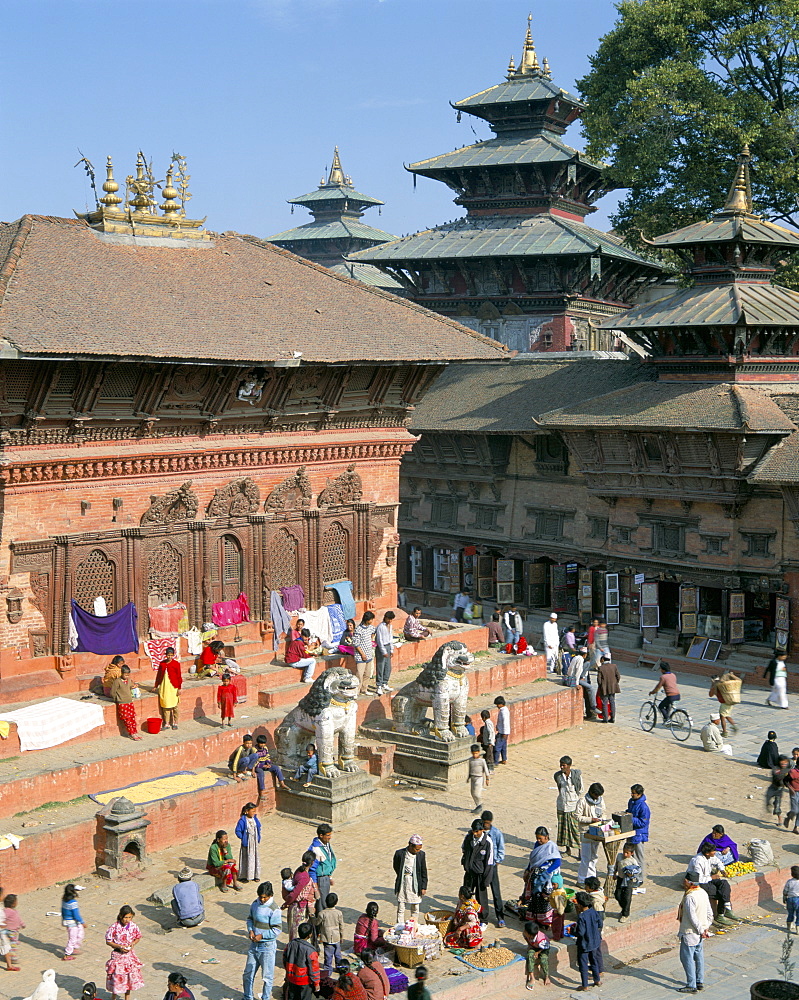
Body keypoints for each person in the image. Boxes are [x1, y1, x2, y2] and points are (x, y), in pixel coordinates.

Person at [677, 873, 714, 993]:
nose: (684, 883)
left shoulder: (689, 897)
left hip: (690, 933)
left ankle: (691, 984)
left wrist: (700, 930)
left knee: (687, 958)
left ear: (689, 882)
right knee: (699, 957)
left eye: (685, 881)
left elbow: (692, 918)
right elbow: (710, 914)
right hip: (700, 932)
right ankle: (699, 981)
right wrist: (706, 927)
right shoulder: (703, 893)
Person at [687, 843, 738, 925]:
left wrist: (722, 869)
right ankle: (721, 914)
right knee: (718, 892)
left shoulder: (710, 857)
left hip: (708, 878)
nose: (715, 852)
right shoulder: (698, 861)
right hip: (701, 882)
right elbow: (699, 879)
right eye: (713, 851)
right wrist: (712, 877)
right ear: (707, 853)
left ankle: (726, 907)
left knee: (724, 884)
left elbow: (718, 862)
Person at [105, 905, 144, 1000]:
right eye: (125, 917)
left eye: (129, 917)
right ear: (121, 916)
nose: (127, 920)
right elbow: (108, 941)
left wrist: (133, 944)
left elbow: (138, 937)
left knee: (128, 978)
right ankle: (113, 997)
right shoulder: (114, 927)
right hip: (118, 956)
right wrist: (119, 947)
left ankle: (127, 997)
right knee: (116, 978)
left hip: (129, 957)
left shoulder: (133, 926)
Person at [461, 817, 495, 920]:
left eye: (477, 831)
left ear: (482, 830)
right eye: (473, 831)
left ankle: (483, 919)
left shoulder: (488, 842)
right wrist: (465, 863)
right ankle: (464, 914)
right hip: (469, 872)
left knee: (481, 898)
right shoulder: (468, 838)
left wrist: (486, 880)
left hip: (480, 874)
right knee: (466, 894)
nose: (475, 834)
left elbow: (489, 862)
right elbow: (463, 849)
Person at [392, 835, 427, 924]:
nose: (418, 851)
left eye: (419, 849)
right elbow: (396, 866)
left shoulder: (421, 855)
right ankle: (399, 925)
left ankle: (413, 924)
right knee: (401, 906)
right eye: (416, 849)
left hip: (415, 883)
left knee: (415, 907)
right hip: (403, 883)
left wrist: (423, 886)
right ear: (410, 846)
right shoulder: (400, 853)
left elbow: (423, 871)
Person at [282, 852, 318, 940]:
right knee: (298, 931)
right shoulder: (304, 877)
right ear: (312, 863)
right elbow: (295, 892)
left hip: (294, 905)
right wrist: (287, 903)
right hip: (299, 907)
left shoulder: (298, 871)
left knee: (292, 930)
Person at [576, 782, 606, 883]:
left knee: (593, 857)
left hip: (596, 832)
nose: (597, 797)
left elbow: (604, 813)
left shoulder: (600, 801)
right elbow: (577, 816)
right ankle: (581, 879)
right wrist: (591, 819)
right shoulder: (583, 801)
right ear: (591, 793)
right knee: (585, 858)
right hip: (585, 832)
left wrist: (602, 820)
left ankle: (591, 878)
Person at [282, 921, 320, 1000]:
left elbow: (284, 959)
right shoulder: (311, 950)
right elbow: (314, 969)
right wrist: (316, 983)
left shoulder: (290, 944)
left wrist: (288, 972)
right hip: (304, 981)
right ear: (310, 935)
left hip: (292, 978)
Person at [574, 891, 603, 991]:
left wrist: (573, 931)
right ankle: (597, 980)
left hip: (584, 944)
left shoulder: (581, 917)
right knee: (594, 961)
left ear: (580, 905)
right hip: (594, 942)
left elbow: (580, 932)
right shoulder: (594, 912)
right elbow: (600, 924)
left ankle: (585, 985)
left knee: (583, 964)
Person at [481, 811, 506, 927]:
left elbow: (501, 849)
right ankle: (483, 917)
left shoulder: (496, 833)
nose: (485, 825)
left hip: (492, 866)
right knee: (482, 893)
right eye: (484, 823)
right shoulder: (479, 832)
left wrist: (497, 861)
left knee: (496, 892)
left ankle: (500, 917)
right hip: (481, 867)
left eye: (487, 823)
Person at [554, 756, 582, 855]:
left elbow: (580, 790)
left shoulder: (576, 776)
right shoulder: (558, 776)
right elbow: (559, 788)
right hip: (562, 805)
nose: (561, 767)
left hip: (573, 806)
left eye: (563, 765)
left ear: (569, 766)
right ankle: (568, 850)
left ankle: (580, 852)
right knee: (563, 829)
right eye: (560, 764)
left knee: (575, 830)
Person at [248, 736, 289, 802]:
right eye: (261, 743)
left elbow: (267, 757)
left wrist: (268, 763)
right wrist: (262, 766)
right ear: (258, 743)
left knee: (277, 768)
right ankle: (261, 792)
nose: (262, 745)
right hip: (257, 765)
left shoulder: (265, 748)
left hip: (265, 764)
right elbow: (254, 762)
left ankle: (282, 783)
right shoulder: (254, 749)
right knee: (261, 774)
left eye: (264, 743)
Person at [313, 892, 344, 973]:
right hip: (336, 937)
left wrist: (312, 917)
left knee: (328, 955)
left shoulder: (322, 913)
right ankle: (339, 968)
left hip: (326, 937)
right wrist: (342, 937)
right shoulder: (339, 913)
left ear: (326, 902)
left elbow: (317, 923)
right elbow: (341, 926)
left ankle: (328, 970)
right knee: (338, 954)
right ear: (336, 902)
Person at [308, 823, 337, 912]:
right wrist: (315, 887)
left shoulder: (326, 844)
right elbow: (312, 870)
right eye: (328, 835)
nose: (330, 837)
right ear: (321, 835)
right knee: (322, 903)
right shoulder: (316, 849)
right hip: (320, 879)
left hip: (326, 877)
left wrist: (330, 876)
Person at [627, 784, 650, 889]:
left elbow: (643, 822)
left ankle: (639, 878)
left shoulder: (644, 807)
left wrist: (630, 818)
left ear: (639, 794)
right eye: (631, 792)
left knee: (638, 858)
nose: (632, 795)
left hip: (639, 835)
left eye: (634, 793)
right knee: (629, 856)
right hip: (630, 833)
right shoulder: (631, 802)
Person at [613, 842, 641, 924]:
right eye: (624, 852)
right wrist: (614, 873)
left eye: (627, 853)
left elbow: (637, 871)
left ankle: (625, 914)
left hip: (628, 881)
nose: (625, 854)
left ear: (631, 853)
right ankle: (624, 908)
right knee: (617, 894)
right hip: (620, 879)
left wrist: (631, 874)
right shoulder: (619, 856)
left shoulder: (633, 861)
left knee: (627, 898)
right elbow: (616, 865)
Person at [111, 665, 142, 740]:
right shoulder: (117, 681)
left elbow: (131, 686)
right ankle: (131, 733)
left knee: (132, 718)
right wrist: (117, 699)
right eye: (125, 675)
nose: (127, 676)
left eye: (128, 675)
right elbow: (113, 692)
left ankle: (135, 732)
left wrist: (135, 686)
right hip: (122, 703)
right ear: (122, 673)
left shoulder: (129, 680)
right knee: (127, 719)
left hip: (129, 702)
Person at [155, 648, 182, 730]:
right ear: (165, 655)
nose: (169, 657)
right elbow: (159, 675)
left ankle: (175, 722)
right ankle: (167, 723)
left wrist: (179, 688)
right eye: (168, 655)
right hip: (164, 687)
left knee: (175, 706)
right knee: (165, 705)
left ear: (173, 655)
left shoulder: (176, 664)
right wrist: (156, 685)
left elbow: (179, 676)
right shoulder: (162, 664)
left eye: (171, 655)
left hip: (173, 686)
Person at [235, 803, 262, 883]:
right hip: (247, 843)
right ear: (247, 811)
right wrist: (243, 838)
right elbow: (238, 831)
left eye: (254, 811)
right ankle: (244, 876)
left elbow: (259, 827)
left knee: (255, 858)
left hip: (254, 843)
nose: (254, 813)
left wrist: (258, 837)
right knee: (245, 859)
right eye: (252, 811)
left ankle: (255, 875)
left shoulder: (255, 819)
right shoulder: (242, 821)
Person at [709, 671, 740, 735]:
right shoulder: (723, 683)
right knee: (727, 715)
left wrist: (712, 686)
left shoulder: (716, 686)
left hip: (724, 702)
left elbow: (710, 695)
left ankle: (724, 732)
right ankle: (734, 726)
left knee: (722, 716)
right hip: (730, 701)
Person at [352, 611, 377, 691]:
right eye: (371, 620)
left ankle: (364, 689)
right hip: (360, 656)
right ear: (367, 619)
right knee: (359, 674)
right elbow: (356, 644)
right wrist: (362, 654)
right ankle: (357, 690)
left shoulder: (371, 627)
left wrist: (371, 637)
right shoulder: (358, 629)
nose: (371, 621)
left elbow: (375, 631)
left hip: (369, 654)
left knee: (368, 673)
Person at [523, 920, 551, 988]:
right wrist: (530, 946)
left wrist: (538, 952)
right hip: (534, 946)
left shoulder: (541, 939)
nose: (524, 931)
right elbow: (526, 938)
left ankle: (546, 975)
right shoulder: (525, 934)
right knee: (530, 956)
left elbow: (545, 947)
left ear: (530, 934)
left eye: (525, 931)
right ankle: (532, 977)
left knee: (543, 959)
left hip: (543, 948)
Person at [61, 883, 85, 961]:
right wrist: (82, 921)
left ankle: (75, 947)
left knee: (80, 933)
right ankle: (67, 954)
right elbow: (76, 914)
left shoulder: (64, 900)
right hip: (72, 923)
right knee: (73, 938)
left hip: (69, 922)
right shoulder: (73, 903)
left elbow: (62, 910)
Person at [374, 611, 396, 696]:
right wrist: (383, 651)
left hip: (388, 646)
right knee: (380, 667)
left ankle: (384, 683)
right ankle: (379, 685)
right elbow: (379, 640)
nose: (390, 621)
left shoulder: (390, 626)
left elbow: (390, 638)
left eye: (391, 619)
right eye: (389, 619)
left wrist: (391, 650)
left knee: (388, 667)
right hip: (381, 648)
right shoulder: (380, 627)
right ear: (385, 618)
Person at [768, 755, 793, 825]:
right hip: (777, 788)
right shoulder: (776, 770)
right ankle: (780, 818)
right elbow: (777, 779)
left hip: (783, 787)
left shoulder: (789, 768)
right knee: (777, 803)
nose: (784, 764)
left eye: (785, 763)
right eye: (782, 763)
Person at [1, 895, 22, 970]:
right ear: (13, 904)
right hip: (9, 931)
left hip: (9, 930)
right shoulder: (8, 911)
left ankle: (8, 960)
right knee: (11, 945)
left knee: (7, 945)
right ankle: (12, 958)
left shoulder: (6, 911)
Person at [467, 743, 491, 811]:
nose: (475, 755)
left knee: (476, 793)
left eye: (476, 753)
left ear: (479, 752)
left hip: (479, 778)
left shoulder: (482, 761)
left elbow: (486, 770)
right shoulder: (470, 760)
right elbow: (470, 768)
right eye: (474, 753)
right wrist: (468, 777)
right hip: (473, 777)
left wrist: (487, 779)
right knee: (472, 793)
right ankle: (478, 805)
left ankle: (480, 804)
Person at [597, 655, 620, 723]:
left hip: (604, 688)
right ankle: (612, 718)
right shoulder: (614, 666)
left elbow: (599, 680)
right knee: (612, 701)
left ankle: (605, 718)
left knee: (605, 702)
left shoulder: (601, 668)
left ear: (603, 659)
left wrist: (601, 687)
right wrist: (615, 683)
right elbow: (618, 676)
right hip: (612, 687)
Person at [494, 696, 510, 765]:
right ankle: (504, 759)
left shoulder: (504, 712)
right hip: (502, 731)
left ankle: (496, 761)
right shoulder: (504, 710)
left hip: (502, 732)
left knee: (497, 747)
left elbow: (505, 723)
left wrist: (505, 732)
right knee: (503, 746)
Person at [784, 866, 799, 934]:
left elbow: (785, 891)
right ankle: (798, 928)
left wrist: (784, 897)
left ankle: (789, 926)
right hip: (798, 900)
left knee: (790, 913)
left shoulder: (789, 881)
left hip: (790, 899)